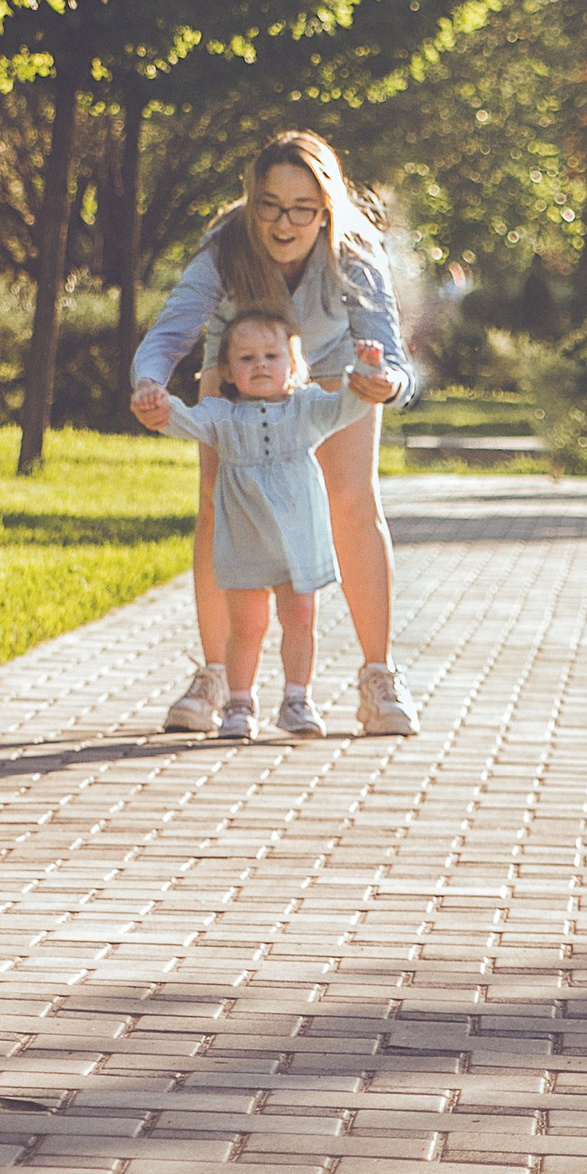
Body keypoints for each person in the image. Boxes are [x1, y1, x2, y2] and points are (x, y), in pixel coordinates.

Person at [130, 131, 421, 736]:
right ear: (251, 197)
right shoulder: (226, 244)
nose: (284, 223)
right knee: (216, 510)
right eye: (270, 205)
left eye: (302, 210)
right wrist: (148, 384)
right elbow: (171, 330)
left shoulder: (356, 249)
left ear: (325, 208)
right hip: (239, 366)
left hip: (335, 371)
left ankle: (378, 678)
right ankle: (215, 677)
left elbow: (391, 356)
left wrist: (383, 384)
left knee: (352, 505)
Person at [137, 310, 378, 739]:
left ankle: (297, 699)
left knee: (300, 616)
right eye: (247, 359)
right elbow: (181, 419)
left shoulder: (307, 409)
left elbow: (350, 405)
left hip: (297, 542)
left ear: (294, 367)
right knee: (247, 626)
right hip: (246, 541)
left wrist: (367, 369)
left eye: (272, 355)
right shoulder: (222, 415)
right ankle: (239, 702)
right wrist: (158, 402)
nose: (261, 365)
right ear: (228, 372)